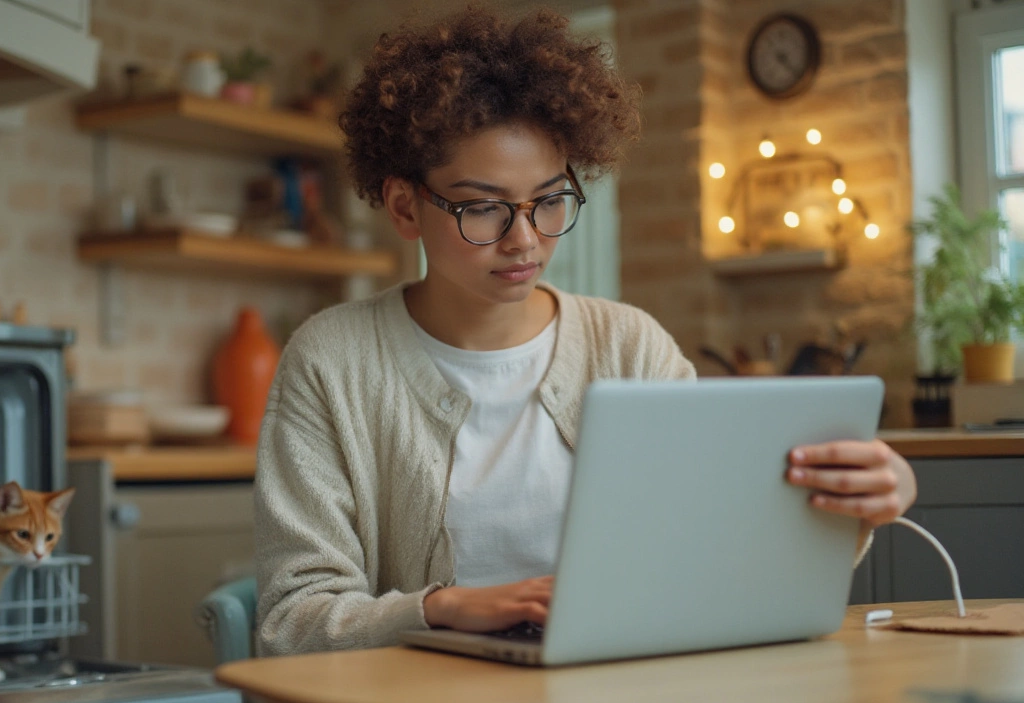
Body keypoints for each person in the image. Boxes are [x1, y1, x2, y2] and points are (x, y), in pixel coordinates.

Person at [253, 5, 917, 657]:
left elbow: (720, 549)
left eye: (548, 201)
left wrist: (856, 504)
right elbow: (291, 620)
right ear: (405, 206)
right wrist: (443, 608)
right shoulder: (332, 360)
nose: (524, 240)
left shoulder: (630, 346)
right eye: (483, 208)